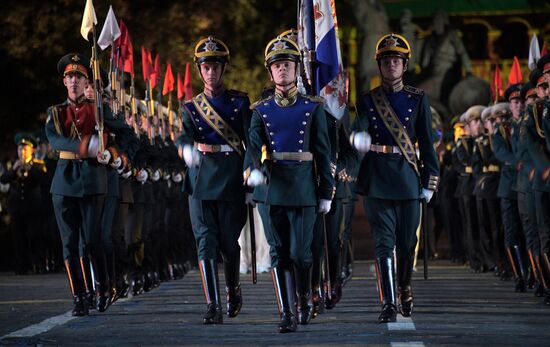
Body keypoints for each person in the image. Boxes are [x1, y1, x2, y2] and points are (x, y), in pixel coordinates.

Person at [246, 36, 334, 333]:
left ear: (297, 69)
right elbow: (252, 145)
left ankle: (305, 296)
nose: (282, 70)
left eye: (287, 64)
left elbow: (323, 152)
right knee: (278, 252)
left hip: (304, 187)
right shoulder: (261, 111)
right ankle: (286, 311)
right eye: (277, 66)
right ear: (270, 72)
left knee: (301, 253)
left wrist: (326, 191)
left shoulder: (313, 108)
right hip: (271, 189)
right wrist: (253, 169)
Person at [350, 33, 439, 323]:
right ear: (380, 65)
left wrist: (430, 181)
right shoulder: (368, 100)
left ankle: (404, 287)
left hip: (407, 178)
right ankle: (388, 302)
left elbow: (426, 144)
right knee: (383, 242)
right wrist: (357, 135)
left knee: (406, 243)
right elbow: (359, 125)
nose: (391, 66)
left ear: (404, 65)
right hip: (377, 178)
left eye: (396, 61)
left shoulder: (418, 99)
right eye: (386, 61)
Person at [45, 53, 135, 316]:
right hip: (64, 182)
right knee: (69, 244)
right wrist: (83, 146)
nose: (74, 80)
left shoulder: (99, 111)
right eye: (69, 76)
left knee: (91, 241)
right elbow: (55, 141)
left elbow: (128, 134)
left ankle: (103, 288)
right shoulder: (56, 112)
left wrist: (116, 153)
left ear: (86, 81)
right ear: (64, 82)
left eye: (79, 76)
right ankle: (79, 297)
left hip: (93, 181)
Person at [177, 36, 250, 324]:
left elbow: (250, 142)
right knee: (205, 243)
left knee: (229, 244)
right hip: (200, 179)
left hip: (231, 179)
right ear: (200, 70)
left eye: (215, 67)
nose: (210, 72)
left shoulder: (240, 103)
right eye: (206, 67)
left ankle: (232, 288)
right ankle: (213, 305)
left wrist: (248, 175)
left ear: (223, 69)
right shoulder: (191, 108)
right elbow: (184, 134)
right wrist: (184, 147)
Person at [0, 133, 47, 274]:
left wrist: (30, 169)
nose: (22, 152)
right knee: (18, 238)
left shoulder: (38, 164)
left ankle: (38, 264)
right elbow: (3, 179)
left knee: (35, 236)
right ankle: (21, 265)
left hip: (33, 207)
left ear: (31, 150)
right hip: (17, 208)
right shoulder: (12, 164)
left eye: (25, 149)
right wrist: (14, 169)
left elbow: (44, 180)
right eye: (20, 149)